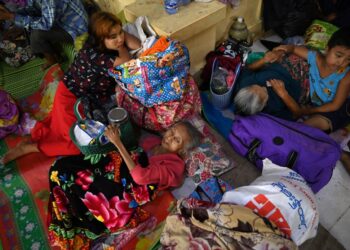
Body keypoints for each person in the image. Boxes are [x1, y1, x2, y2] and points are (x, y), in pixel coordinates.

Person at [1, 11, 141, 165]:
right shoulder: (96, 56)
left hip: (78, 96)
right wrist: (120, 43)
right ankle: (31, 148)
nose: (120, 38)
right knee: (79, 145)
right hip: (70, 100)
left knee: (59, 131)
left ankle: (33, 138)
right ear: (101, 39)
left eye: (120, 32)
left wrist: (117, 34)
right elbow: (126, 61)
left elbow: (138, 45)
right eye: (113, 36)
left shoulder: (101, 43)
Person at [47, 121, 202, 248]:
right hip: (115, 174)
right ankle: (72, 206)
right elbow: (129, 156)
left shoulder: (174, 167)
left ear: (181, 151)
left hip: (123, 194)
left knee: (63, 174)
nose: (170, 137)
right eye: (172, 131)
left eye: (177, 140)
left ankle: (74, 217)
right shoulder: (153, 142)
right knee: (61, 167)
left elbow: (140, 177)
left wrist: (117, 142)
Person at [0, 0, 88, 69]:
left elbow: (45, 24)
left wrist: (12, 17)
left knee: (36, 34)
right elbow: (32, 10)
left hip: (73, 28)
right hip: (59, 21)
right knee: (25, 25)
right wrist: (12, 14)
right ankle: (55, 54)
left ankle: (53, 62)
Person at [233, 50, 302, 120]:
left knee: (290, 49)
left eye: (256, 85)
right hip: (299, 82)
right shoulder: (272, 111)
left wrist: (264, 60)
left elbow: (249, 68)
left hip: (280, 64)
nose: (263, 86)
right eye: (264, 91)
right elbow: (297, 113)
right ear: (263, 104)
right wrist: (284, 94)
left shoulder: (244, 84)